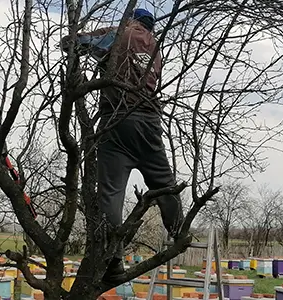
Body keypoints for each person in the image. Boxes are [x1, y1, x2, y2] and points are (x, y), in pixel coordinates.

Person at [60, 8, 183, 280]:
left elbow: (74, 43)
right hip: (149, 121)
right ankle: (178, 231)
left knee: (111, 193)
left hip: (118, 120)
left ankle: (112, 261)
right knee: (164, 182)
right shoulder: (155, 49)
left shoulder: (120, 35)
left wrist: (77, 39)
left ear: (131, 19)